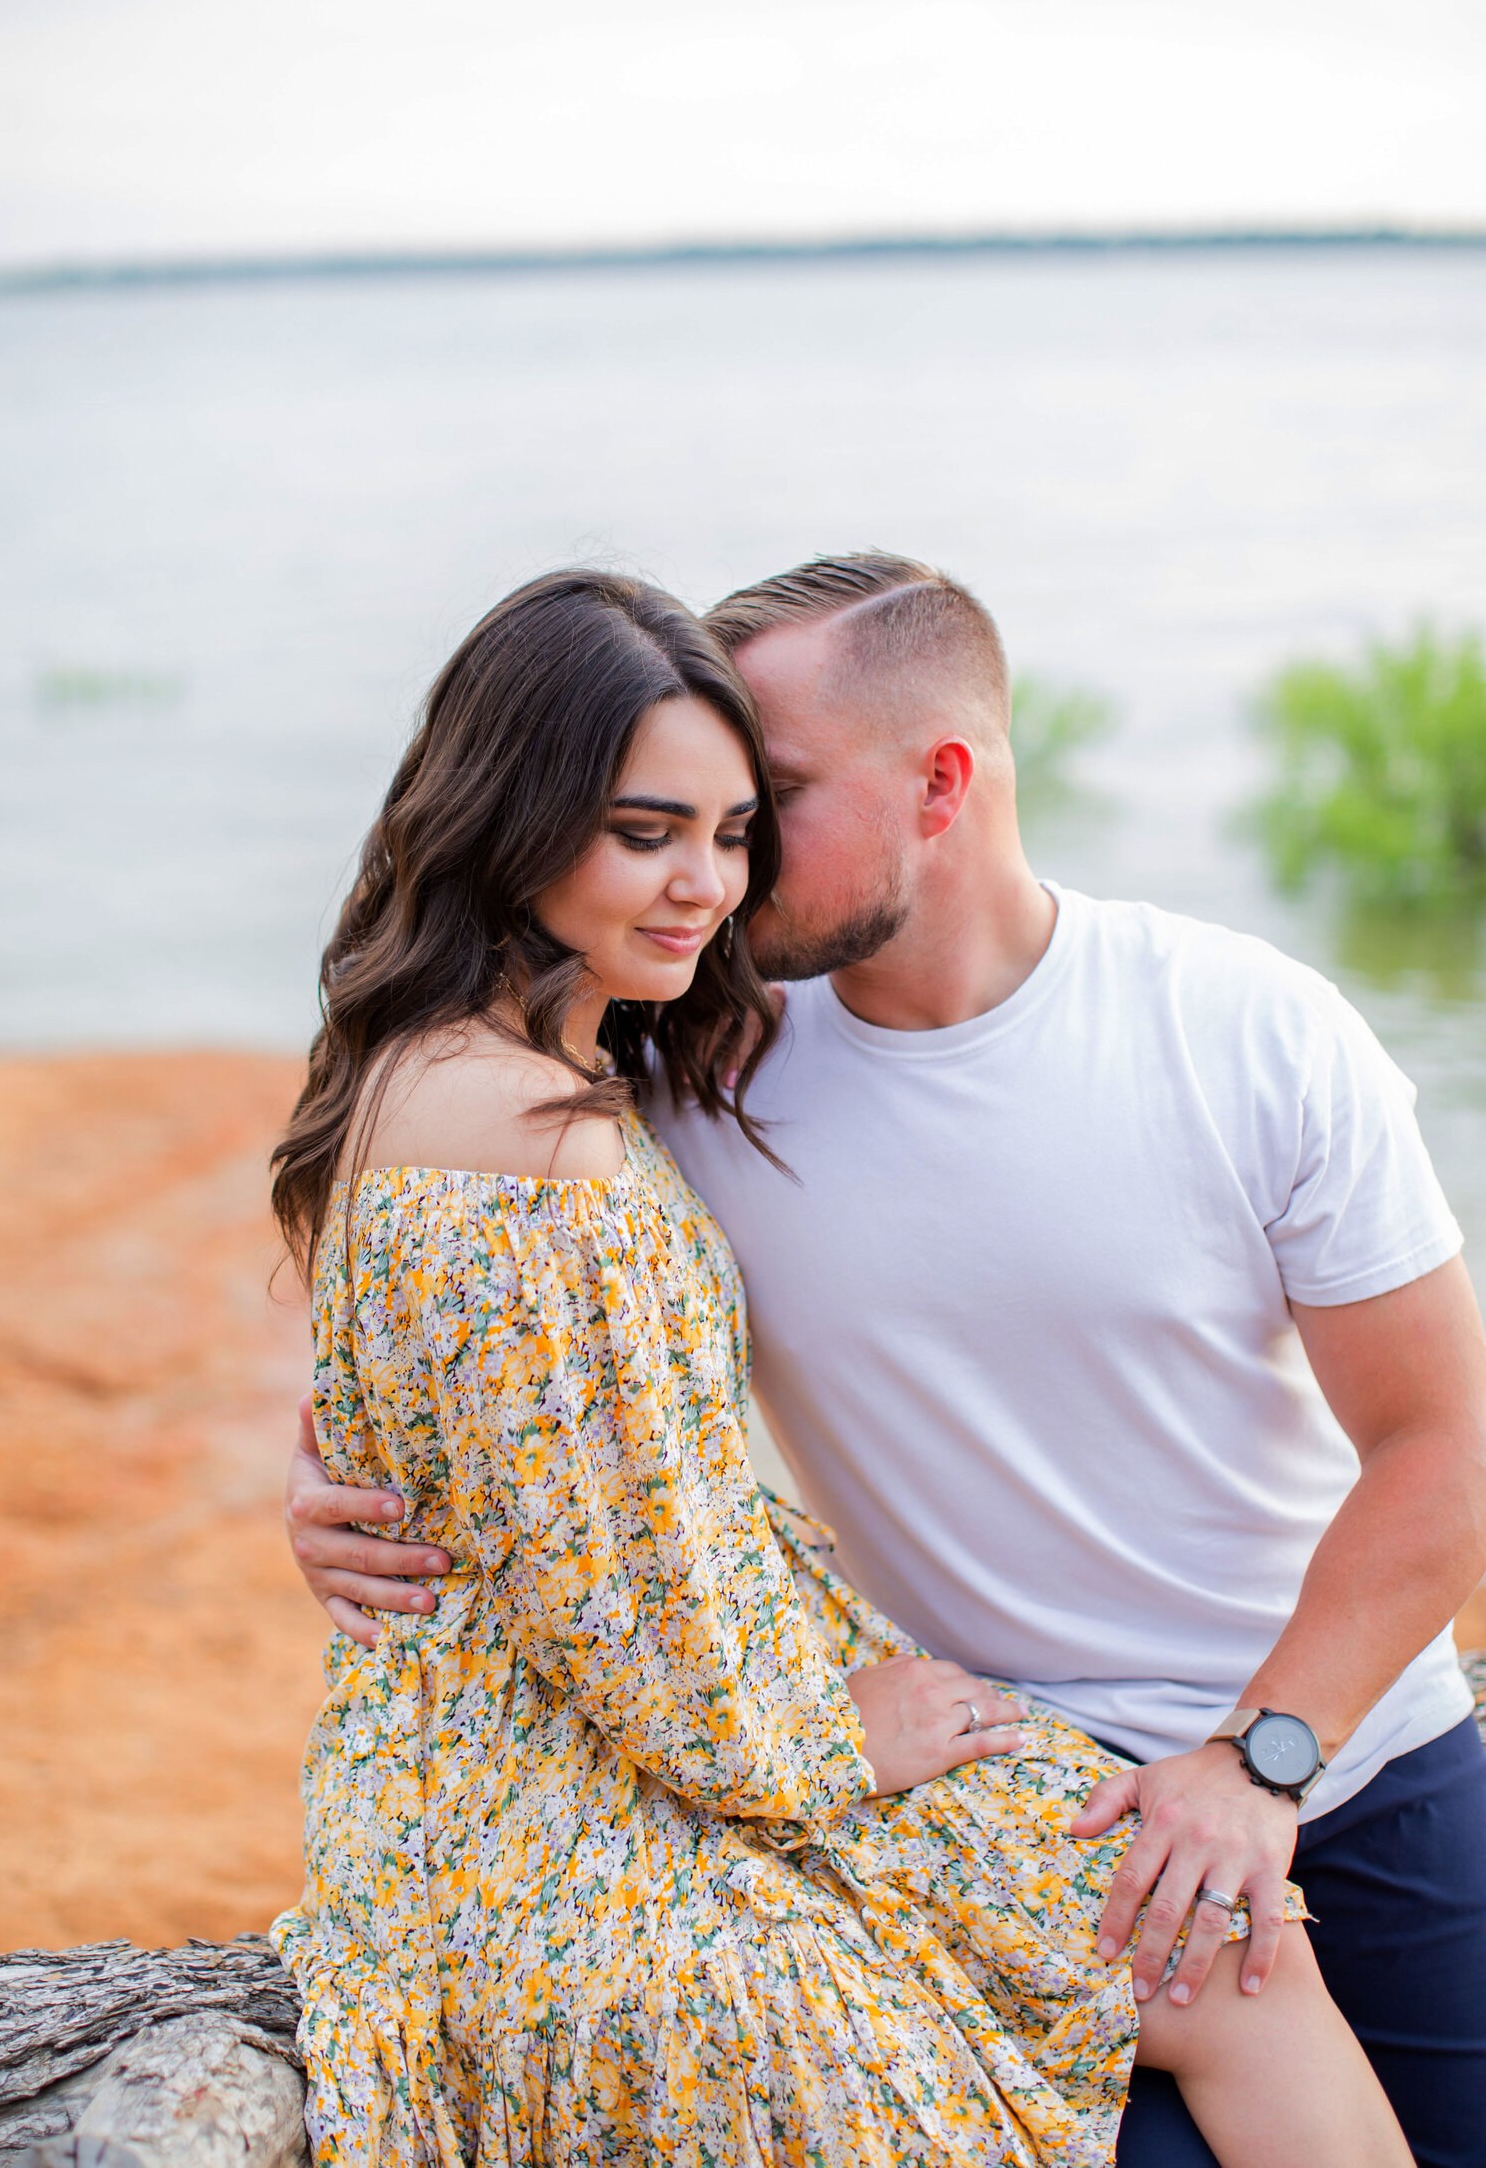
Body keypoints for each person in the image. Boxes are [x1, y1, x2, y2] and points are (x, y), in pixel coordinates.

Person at [288, 555, 1486, 2168]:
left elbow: (1447, 1440)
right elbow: (479, 1317)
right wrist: (348, 1489)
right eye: (675, 824)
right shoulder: (692, 1065)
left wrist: (1260, 1759)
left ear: (941, 783)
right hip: (997, 1769)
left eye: (758, 807)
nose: (723, 869)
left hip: (1348, 1763)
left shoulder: (1248, 1028)